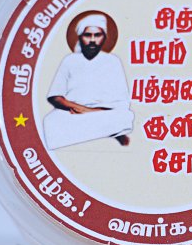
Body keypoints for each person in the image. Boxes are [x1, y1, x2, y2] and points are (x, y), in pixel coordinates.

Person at [43, 14, 134, 150]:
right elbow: (55, 97)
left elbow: (122, 102)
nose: (92, 40)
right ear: (80, 37)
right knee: (50, 121)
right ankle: (106, 132)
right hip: (72, 112)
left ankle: (97, 132)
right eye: (87, 35)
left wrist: (87, 111)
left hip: (103, 113)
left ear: (104, 37)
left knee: (124, 117)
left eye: (97, 35)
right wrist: (80, 109)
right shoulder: (69, 61)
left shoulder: (112, 61)